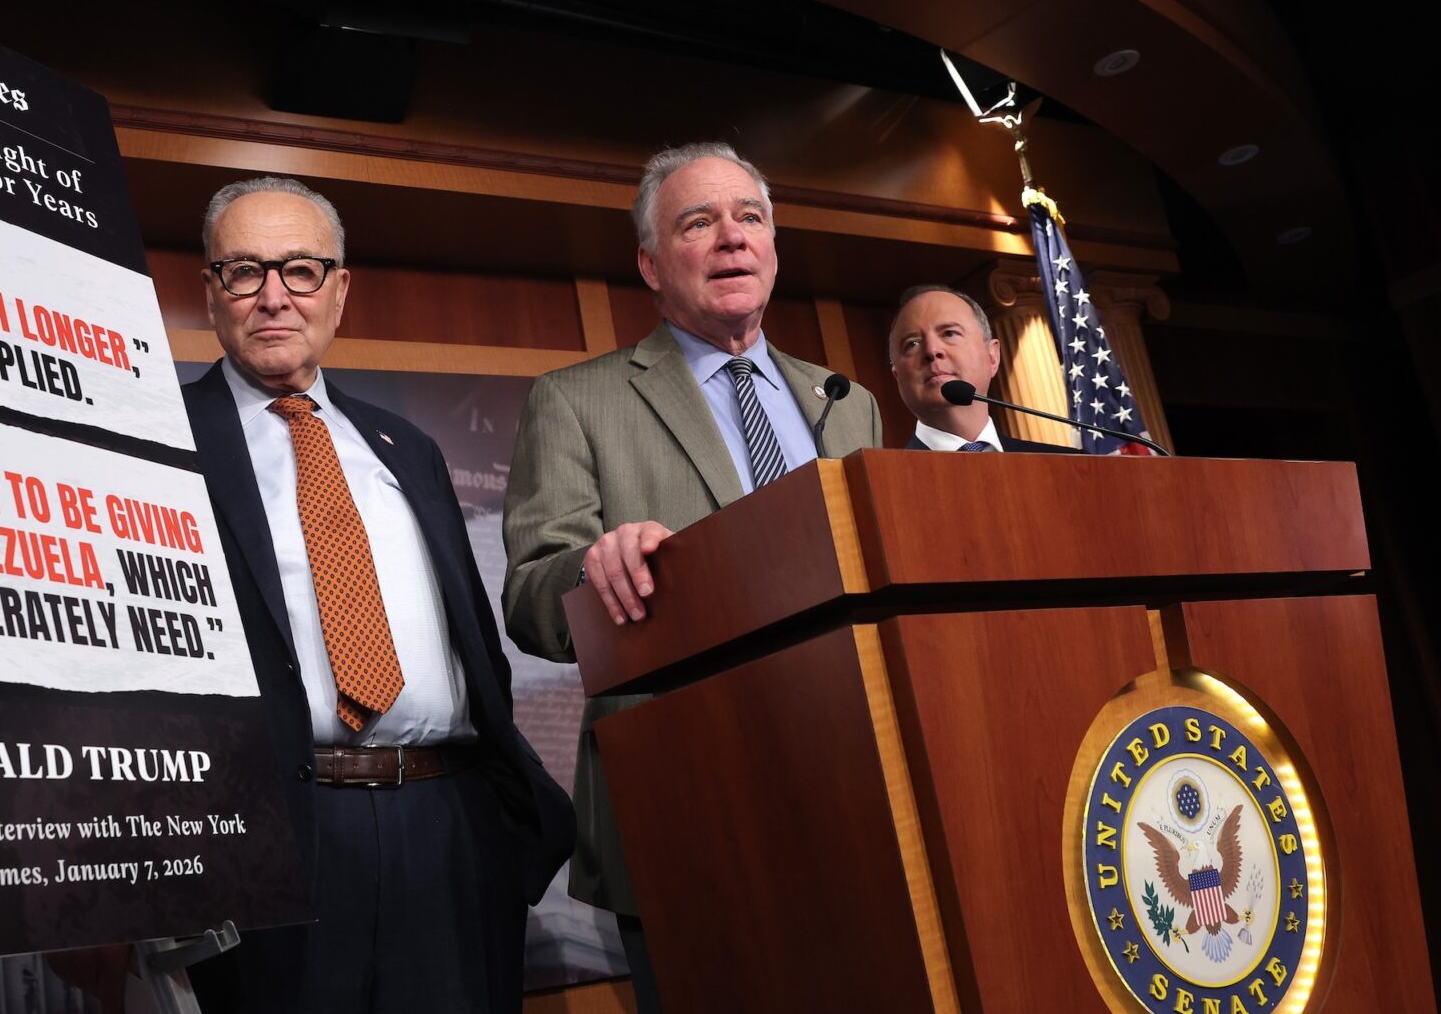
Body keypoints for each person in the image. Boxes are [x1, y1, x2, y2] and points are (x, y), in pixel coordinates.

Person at [500, 143, 881, 1010]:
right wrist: (591, 567)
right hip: (689, 800)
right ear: (650, 262)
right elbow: (529, 597)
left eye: (749, 218)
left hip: (859, 770)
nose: (731, 239)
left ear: (774, 247)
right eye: (698, 222)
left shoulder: (845, 401)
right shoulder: (578, 398)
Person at [181, 176, 572, 1014]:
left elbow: (474, 644)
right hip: (281, 835)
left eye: (302, 270)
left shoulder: (411, 449)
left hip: (451, 824)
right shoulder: (158, 444)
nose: (274, 297)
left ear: (341, 289)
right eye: (244, 271)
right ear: (211, 291)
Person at [888, 284, 1080, 453]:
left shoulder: (1072, 466)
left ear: (992, 357)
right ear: (897, 377)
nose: (932, 350)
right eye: (912, 344)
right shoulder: (882, 483)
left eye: (949, 333)